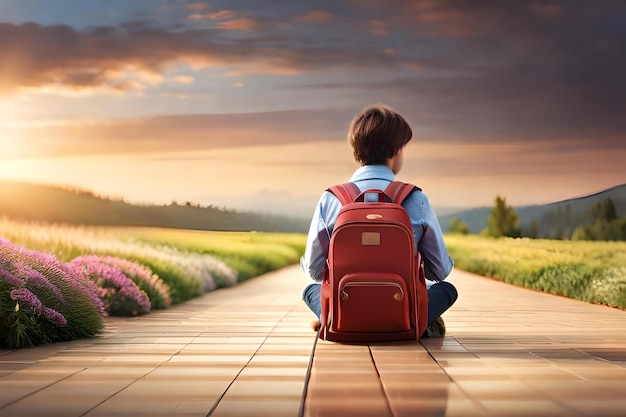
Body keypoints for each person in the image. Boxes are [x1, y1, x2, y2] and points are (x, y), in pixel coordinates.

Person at [300, 103, 457, 337]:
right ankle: (416, 321)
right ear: (395, 151)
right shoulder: (415, 198)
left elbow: (314, 270)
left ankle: (332, 319)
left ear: (356, 152)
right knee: (446, 290)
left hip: (345, 309)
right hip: (402, 311)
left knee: (310, 290)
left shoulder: (331, 198)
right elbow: (440, 271)